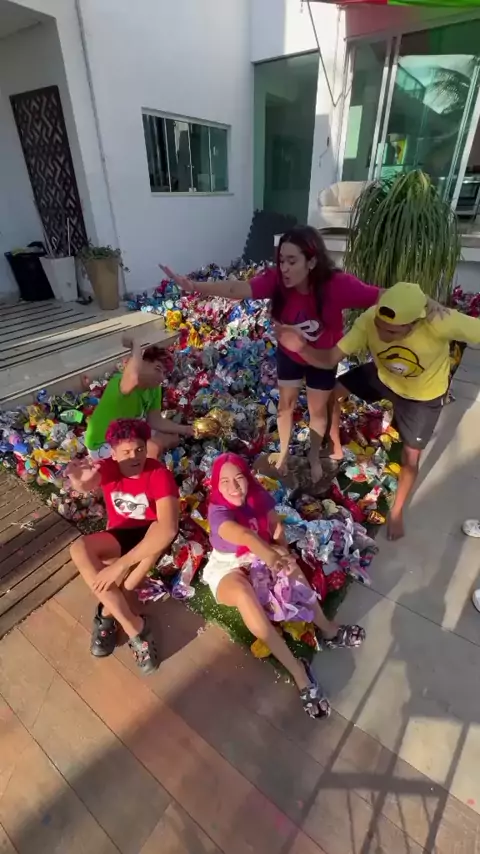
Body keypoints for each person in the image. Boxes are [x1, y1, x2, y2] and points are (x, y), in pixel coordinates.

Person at [161, 227, 443, 481]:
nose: (284, 268)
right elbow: (237, 288)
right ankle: (284, 452)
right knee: (285, 406)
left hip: (322, 358)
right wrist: (194, 286)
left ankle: (314, 455)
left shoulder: (337, 285)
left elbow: (384, 295)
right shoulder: (276, 281)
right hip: (290, 355)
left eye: (292, 261)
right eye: (281, 260)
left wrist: (427, 302)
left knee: (317, 411)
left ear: (311, 261)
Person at [276, 281, 480, 541]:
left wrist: (432, 302)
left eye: (392, 331)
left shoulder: (440, 321)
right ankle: (335, 447)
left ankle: (397, 511)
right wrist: (301, 348)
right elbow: (329, 359)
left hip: (423, 396)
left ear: (414, 323)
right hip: (384, 377)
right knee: (332, 393)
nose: (382, 333)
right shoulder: (369, 320)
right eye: (380, 326)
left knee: (410, 458)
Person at [202, 452, 366, 719]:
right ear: (216, 486)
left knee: (291, 568)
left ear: (248, 477)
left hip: (261, 554)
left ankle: (327, 629)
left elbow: (275, 526)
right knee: (243, 594)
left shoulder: (257, 494)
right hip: (229, 566)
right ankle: (298, 671)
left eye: (239, 478)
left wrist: (282, 551)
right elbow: (244, 535)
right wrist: (270, 556)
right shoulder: (218, 511)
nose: (234, 487)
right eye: (225, 481)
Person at [68, 418, 179, 674]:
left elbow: (168, 529)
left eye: (139, 449)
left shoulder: (159, 474)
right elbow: (87, 482)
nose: (134, 456)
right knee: (78, 549)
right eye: (126, 452)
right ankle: (135, 627)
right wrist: (78, 481)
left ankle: (107, 615)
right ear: (114, 453)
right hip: (121, 534)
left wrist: (119, 566)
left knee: (125, 580)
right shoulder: (108, 467)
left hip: (151, 537)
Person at [84, 337, 193, 461]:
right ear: (142, 363)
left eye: (164, 373)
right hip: (102, 443)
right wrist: (136, 345)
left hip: (126, 434)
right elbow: (133, 377)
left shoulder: (154, 389)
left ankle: (144, 459)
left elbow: (155, 420)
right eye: (157, 369)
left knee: (173, 437)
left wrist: (186, 429)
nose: (161, 377)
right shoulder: (120, 381)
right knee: (152, 447)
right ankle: (144, 469)